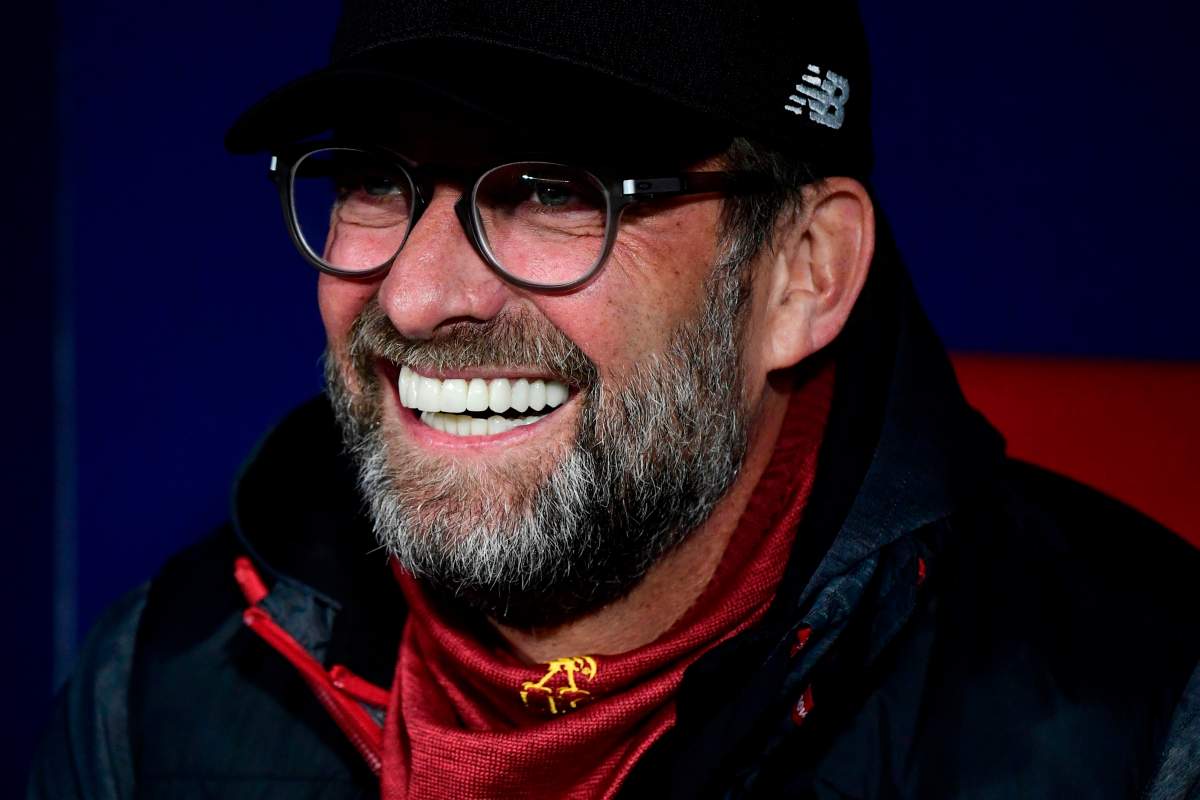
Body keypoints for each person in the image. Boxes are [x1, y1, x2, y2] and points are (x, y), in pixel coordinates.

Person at [29, 1, 1200, 798]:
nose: (419, 294)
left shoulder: (1145, 724)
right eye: (375, 178)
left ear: (802, 271)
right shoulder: (156, 690)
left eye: (553, 187)